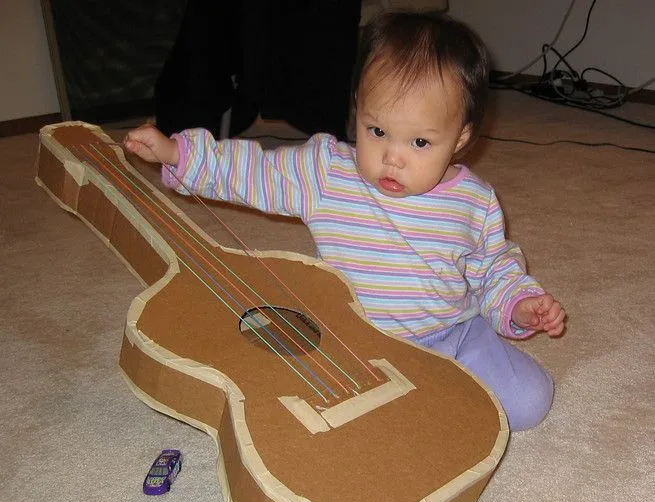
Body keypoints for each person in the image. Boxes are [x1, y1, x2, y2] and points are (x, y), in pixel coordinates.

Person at [124, 11, 566, 431]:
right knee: (287, 404)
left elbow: (494, 270)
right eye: (377, 132)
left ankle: (432, 393)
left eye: (419, 141)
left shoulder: (475, 203)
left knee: (531, 400)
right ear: (357, 109)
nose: (393, 157)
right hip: (347, 341)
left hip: (449, 336)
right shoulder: (328, 173)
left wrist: (520, 305)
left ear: (461, 138)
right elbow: (255, 171)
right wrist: (180, 155)